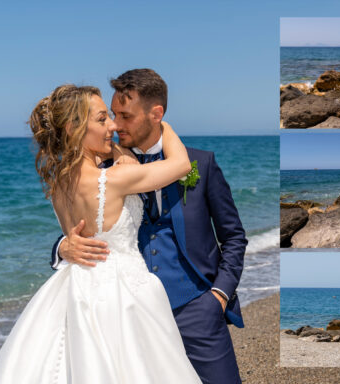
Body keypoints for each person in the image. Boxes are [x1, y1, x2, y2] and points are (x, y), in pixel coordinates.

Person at [0, 85, 201, 382]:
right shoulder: (112, 179)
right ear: (73, 128)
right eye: (102, 119)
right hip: (123, 293)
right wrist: (162, 125)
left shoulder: (59, 182)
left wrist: (119, 150)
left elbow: (74, 235)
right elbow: (179, 165)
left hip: (75, 289)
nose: (112, 125)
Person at [51, 69, 247, 383]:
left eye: (125, 116)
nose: (115, 125)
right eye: (111, 115)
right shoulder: (102, 170)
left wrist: (219, 295)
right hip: (128, 315)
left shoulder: (201, 163)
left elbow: (234, 236)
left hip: (197, 309)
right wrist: (62, 246)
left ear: (156, 114)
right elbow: (85, 225)